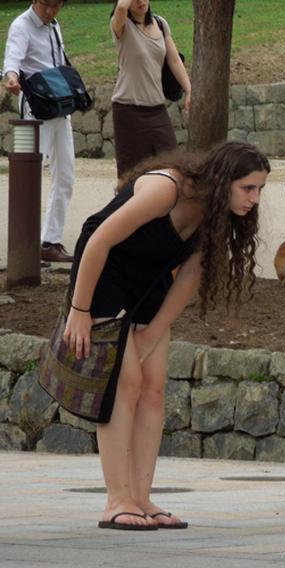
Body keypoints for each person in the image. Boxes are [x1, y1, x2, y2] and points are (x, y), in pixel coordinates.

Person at [64, 141, 270, 530]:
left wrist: (154, 331)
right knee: (124, 383)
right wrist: (79, 310)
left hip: (148, 282)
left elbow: (192, 273)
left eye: (259, 189)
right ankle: (116, 500)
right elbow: (98, 240)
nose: (254, 199)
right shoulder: (167, 189)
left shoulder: (217, 215)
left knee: (154, 387)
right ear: (224, 180)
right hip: (105, 274)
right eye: (248, 188)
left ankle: (141, 498)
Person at [3, 0, 77, 263]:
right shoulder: (22, 25)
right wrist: (11, 77)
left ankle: (50, 241)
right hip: (36, 109)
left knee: (66, 175)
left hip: (60, 108)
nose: (51, 11)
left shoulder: (53, 25)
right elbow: (12, 57)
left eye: (57, 5)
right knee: (29, 175)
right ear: (35, 0)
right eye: (47, 4)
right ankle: (24, 241)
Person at [110, 0, 191, 178]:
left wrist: (189, 90)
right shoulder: (121, 24)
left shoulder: (160, 24)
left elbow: (174, 60)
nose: (141, 1)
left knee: (173, 169)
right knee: (131, 176)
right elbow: (122, 7)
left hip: (157, 110)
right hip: (128, 110)